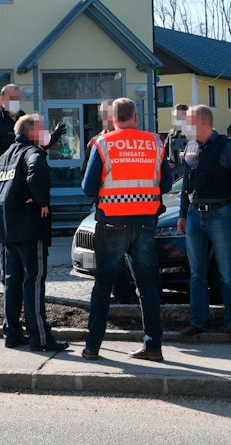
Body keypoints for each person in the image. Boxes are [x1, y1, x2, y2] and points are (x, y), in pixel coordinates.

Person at [80, 97, 171, 361]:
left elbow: (87, 188)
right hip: (144, 222)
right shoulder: (155, 142)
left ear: (112, 119)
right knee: (147, 286)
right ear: (136, 116)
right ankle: (153, 346)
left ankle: (92, 347)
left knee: (103, 285)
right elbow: (165, 184)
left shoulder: (103, 143)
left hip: (112, 222)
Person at [0, 114, 69, 352]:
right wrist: (40, 201)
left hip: (6, 227)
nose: (45, 134)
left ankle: (12, 333)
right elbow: (38, 171)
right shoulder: (33, 153)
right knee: (34, 281)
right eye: (42, 129)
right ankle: (40, 337)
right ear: (32, 132)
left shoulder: (4, 156)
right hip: (30, 226)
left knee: (13, 280)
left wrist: (7, 200)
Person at [177, 105, 231, 341]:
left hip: (221, 214)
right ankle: (197, 321)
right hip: (193, 217)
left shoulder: (226, 146)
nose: (185, 127)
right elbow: (186, 184)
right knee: (197, 274)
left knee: (227, 272)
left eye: (189, 122)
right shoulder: (190, 147)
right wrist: (182, 214)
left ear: (202, 123)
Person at [82, 100, 136, 304]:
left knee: (135, 256)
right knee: (112, 258)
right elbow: (87, 176)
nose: (108, 117)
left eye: (110, 113)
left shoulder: (131, 140)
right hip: (108, 209)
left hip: (134, 208)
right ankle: (122, 295)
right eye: (104, 114)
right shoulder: (96, 143)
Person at [0, 83, 66, 165]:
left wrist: (54, 136)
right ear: (2, 100)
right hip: (4, 174)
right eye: (12, 98)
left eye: (17, 98)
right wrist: (13, 154)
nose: (15, 102)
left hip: (25, 173)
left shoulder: (25, 120)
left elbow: (38, 146)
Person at [164, 104, 192, 180]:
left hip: (189, 173)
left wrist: (187, 155)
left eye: (179, 116)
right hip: (174, 175)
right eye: (176, 116)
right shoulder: (172, 133)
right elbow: (164, 151)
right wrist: (168, 161)